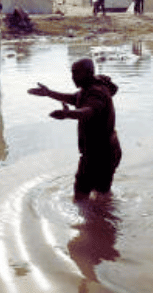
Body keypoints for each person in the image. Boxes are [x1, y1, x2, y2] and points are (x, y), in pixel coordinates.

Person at [28, 58, 122, 201]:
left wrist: (68, 114)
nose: (73, 77)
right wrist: (49, 93)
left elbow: (89, 111)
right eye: (72, 73)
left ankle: (94, 222)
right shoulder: (88, 89)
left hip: (101, 154)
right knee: (101, 196)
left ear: (88, 73)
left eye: (77, 73)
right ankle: (104, 221)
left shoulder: (97, 93)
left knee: (83, 196)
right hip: (101, 151)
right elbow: (74, 98)